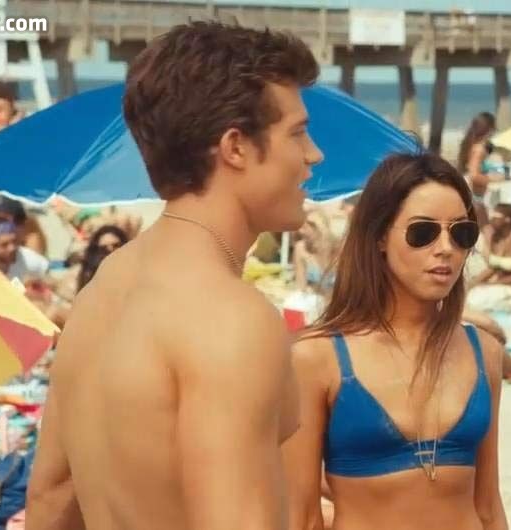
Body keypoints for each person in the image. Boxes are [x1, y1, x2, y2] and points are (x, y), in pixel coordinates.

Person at [26, 22, 324, 530]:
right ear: (235, 147)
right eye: (297, 133)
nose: (313, 154)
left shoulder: (105, 287)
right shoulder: (231, 318)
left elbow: (51, 498)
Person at [282, 152, 508, 530]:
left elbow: (488, 506)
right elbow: (302, 517)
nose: (445, 247)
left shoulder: (484, 352)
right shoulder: (317, 358)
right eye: (423, 232)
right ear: (380, 236)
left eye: (461, 233)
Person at [472, 203, 511, 286]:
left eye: (496, 217)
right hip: (498, 282)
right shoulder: (496, 237)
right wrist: (475, 282)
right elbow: (494, 268)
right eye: (491, 216)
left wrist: (491, 284)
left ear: (507, 220)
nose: (491, 219)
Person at [0, 218, 51, 284]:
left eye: (14, 241)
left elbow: (48, 276)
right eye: (4, 245)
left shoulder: (24, 256)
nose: (12, 248)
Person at [457, 112, 498, 211]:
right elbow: (474, 175)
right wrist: (494, 180)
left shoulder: (469, 145)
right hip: (475, 195)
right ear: (490, 130)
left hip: (469, 191)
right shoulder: (479, 149)